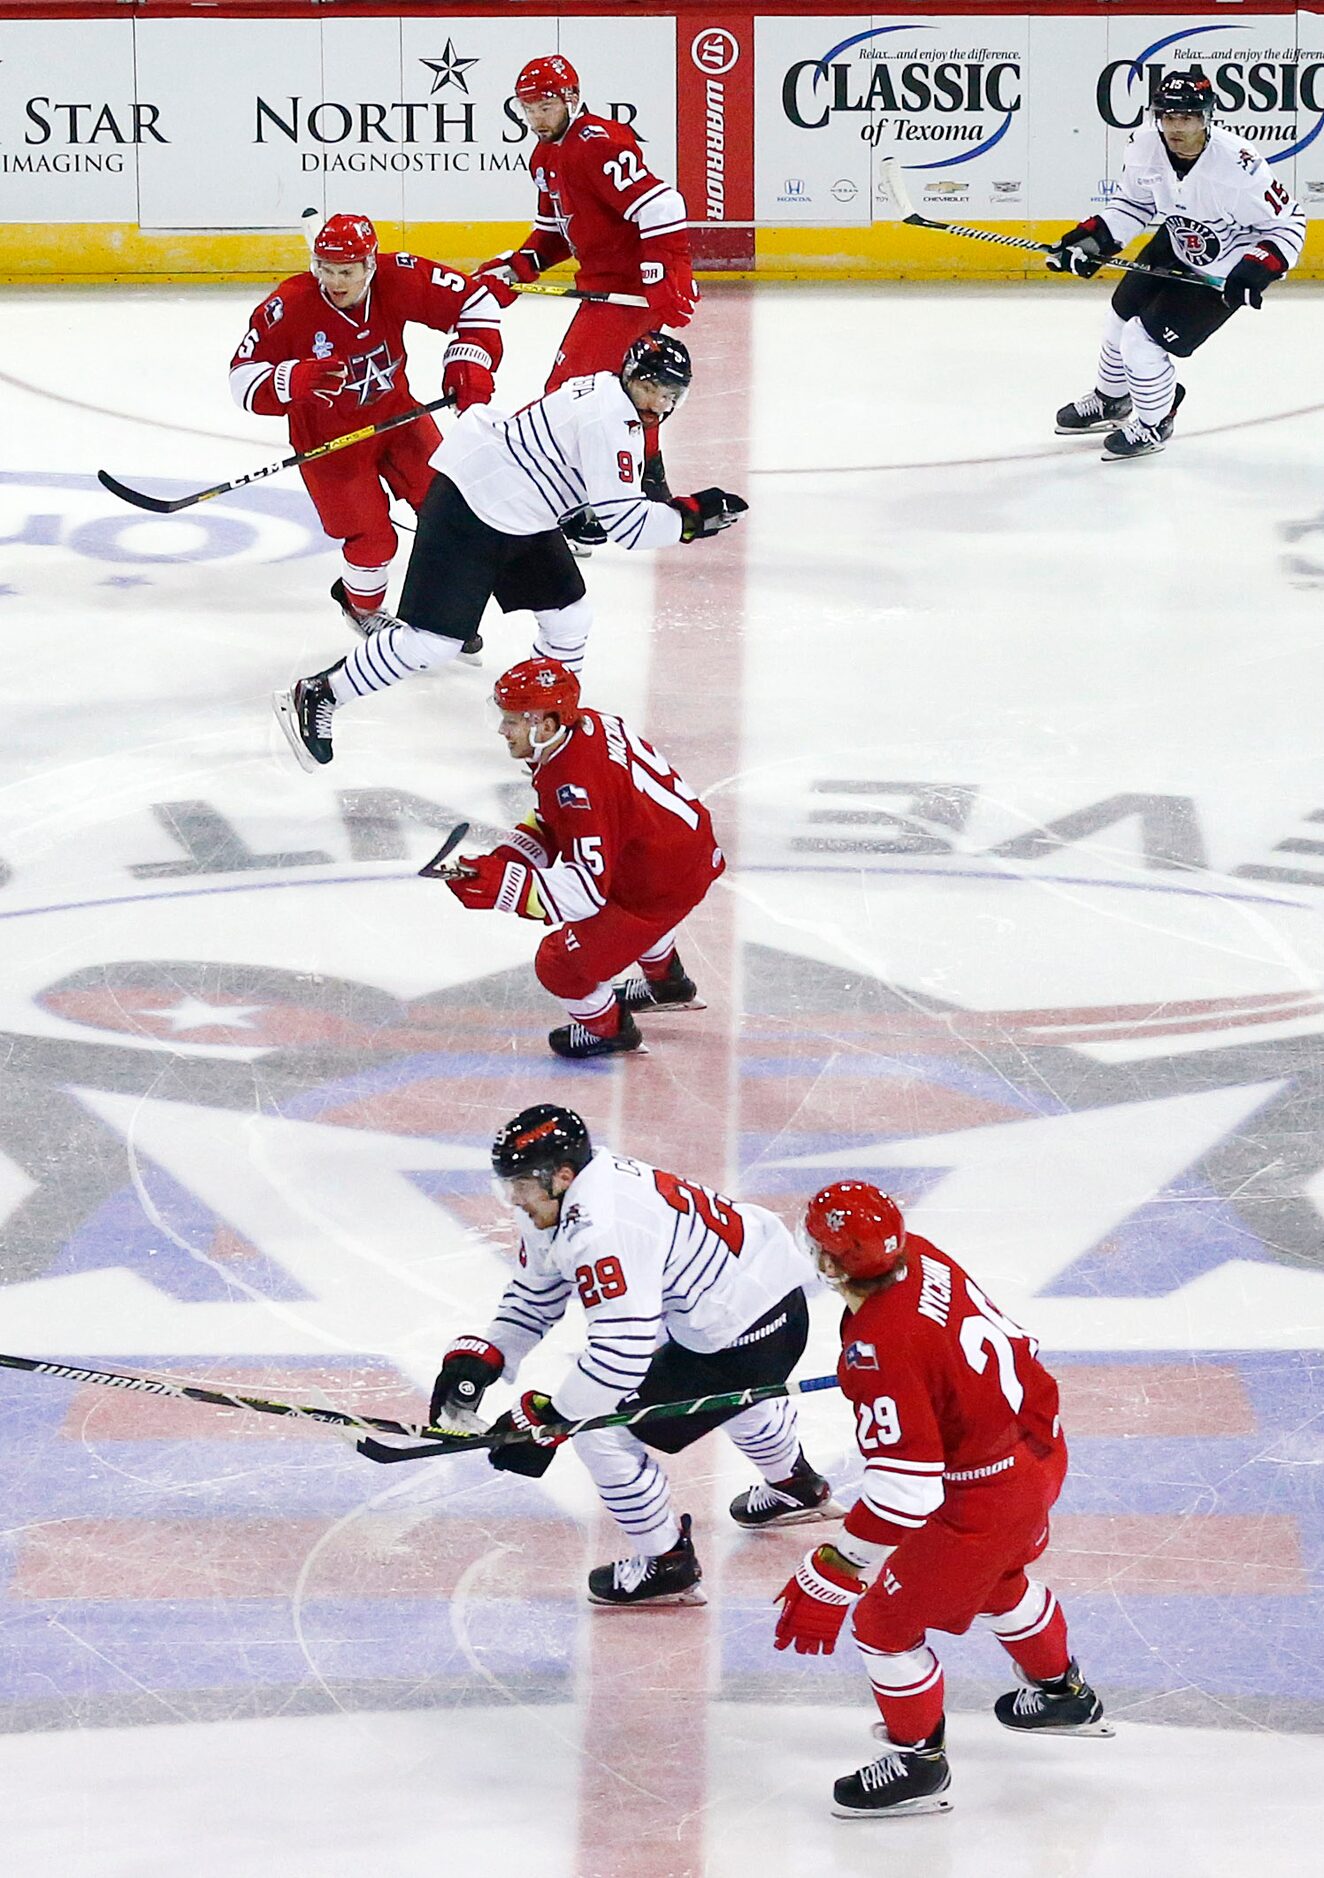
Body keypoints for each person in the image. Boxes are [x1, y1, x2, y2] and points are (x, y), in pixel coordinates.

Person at [773, 1182, 1110, 1820]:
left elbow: (906, 1492)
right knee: (997, 1580)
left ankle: (917, 1764)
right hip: (1036, 1447)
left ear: (833, 1263)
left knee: (883, 1624)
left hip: (981, 1495)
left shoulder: (880, 1347)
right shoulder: (922, 1256)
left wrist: (837, 1570)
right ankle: (1062, 1694)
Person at [272, 333, 745, 773]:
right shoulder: (611, 420)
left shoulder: (605, 392)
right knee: (433, 642)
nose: (661, 403)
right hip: (472, 505)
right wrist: (691, 518)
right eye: (654, 388)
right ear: (632, 377)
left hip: (520, 511)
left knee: (568, 618)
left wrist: (591, 507)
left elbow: (575, 475)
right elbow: (628, 526)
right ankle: (320, 692)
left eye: (671, 394)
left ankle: (541, 726)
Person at [430, 1104, 839, 1604]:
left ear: (560, 1176)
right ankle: (795, 1486)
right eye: (507, 1184)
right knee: (732, 1396)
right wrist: (490, 1352)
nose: (514, 1198)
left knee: (600, 1434)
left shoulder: (605, 1229)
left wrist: (553, 1424)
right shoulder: (572, 1193)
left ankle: (667, 1565)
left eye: (520, 1184)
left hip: (742, 1333)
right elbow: (538, 1290)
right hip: (757, 1308)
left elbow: (621, 1354)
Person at [230, 212, 510, 634]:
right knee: (374, 539)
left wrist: (470, 359)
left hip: (399, 419)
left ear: (370, 265)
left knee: (449, 508)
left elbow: (476, 302)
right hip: (329, 443)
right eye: (326, 268)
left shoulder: (397, 278)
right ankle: (360, 607)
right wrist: (292, 378)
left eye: (347, 271)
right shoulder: (289, 307)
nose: (335, 282)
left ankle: (440, 610)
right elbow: (242, 380)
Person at [435, 655, 721, 1059]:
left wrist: (501, 885)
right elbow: (556, 822)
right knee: (635, 907)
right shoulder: (584, 727)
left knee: (560, 964)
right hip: (673, 853)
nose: (502, 729)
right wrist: (507, 859)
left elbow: (585, 894)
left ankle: (610, 1030)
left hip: (659, 881)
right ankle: (668, 984)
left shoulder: (577, 785)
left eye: (513, 719)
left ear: (546, 724)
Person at [473, 53, 697, 526]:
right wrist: (519, 266)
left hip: (632, 294)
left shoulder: (596, 143)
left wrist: (661, 275)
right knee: (611, 390)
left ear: (571, 98)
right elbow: (555, 234)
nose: (535, 118)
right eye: (527, 108)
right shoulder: (543, 155)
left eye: (544, 106)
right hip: (606, 291)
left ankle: (579, 501)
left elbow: (661, 205)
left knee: (568, 394)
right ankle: (647, 482)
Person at [1049, 70, 1303, 461]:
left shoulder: (1239, 166)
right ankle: (1112, 400)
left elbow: (1289, 222)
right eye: (1167, 117)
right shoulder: (1144, 147)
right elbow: (1133, 205)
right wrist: (1092, 238)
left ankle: (1155, 421)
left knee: (1142, 342)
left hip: (1224, 269)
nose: (1175, 127)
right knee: (1119, 317)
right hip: (1175, 240)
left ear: (1206, 118)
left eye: (1186, 118)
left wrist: (1259, 266)